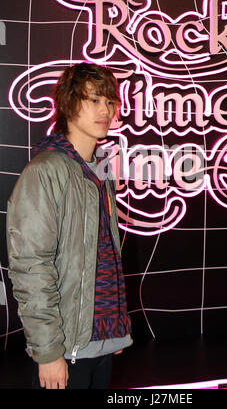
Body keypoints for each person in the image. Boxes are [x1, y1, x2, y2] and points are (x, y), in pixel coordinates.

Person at [6, 62, 132, 389]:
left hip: (100, 341)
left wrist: (113, 329)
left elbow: (104, 257)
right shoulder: (46, 171)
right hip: (65, 348)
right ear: (68, 104)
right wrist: (48, 352)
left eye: (109, 101)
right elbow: (31, 266)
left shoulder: (98, 171)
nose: (105, 110)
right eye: (94, 100)